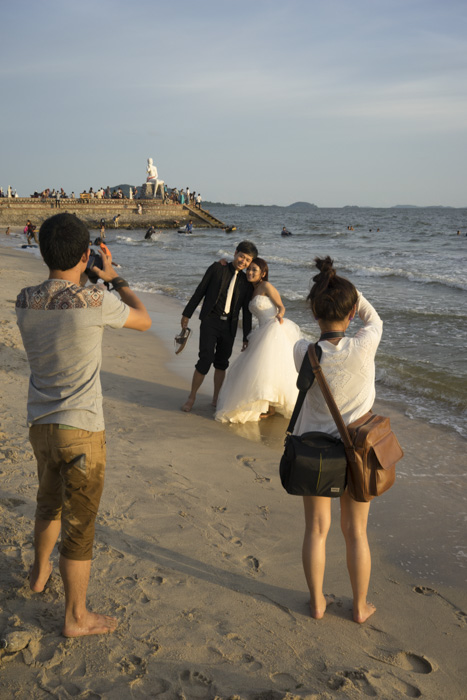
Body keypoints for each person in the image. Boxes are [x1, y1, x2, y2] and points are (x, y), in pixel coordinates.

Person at [15, 213, 151, 637]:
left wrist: (86, 274)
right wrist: (112, 276)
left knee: (47, 503)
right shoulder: (94, 301)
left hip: (41, 423)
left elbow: (57, 294)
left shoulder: (24, 300)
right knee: (80, 525)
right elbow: (143, 318)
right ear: (83, 254)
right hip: (82, 428)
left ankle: (39, 576)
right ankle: (76, 616)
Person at [292, 256, 383, 623]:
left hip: (314, 451)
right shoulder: (365, 345)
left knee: (316, 529)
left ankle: (317, 603)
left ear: (314, 314)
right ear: (349, 315)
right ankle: (359, 607)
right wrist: (345, 289)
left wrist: (326, 292)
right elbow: (372, 317)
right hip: (358, 451)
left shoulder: (303, 351)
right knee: (356, 531)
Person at [215, 258, 301, 423]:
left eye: (254, 270)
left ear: (263, 273)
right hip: (262, 330)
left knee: (271, 368)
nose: (250, 272)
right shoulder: (250, 289)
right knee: (263, 369)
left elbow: (281, 306)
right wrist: (223, 264)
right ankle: (268, 405)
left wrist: (280, 315)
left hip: (274, 327)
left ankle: (271, 406)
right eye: (249, 270)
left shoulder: (266, 286)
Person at [180, 240, 258, 412]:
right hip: (210, 320)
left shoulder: (246, 282)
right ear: (235, 253)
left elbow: (246, 312)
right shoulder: (217, 268)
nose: (243, 262)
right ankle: (191, 396)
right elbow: (200, 291)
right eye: (241, 257)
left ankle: (216, 398)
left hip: (229, 327)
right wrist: (187, 313)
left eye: (247, 260)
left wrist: (246, 336)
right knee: (205, 359)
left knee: (222, 363)